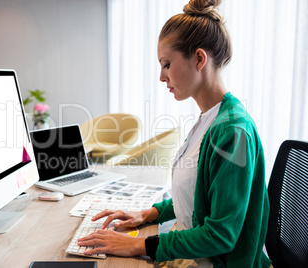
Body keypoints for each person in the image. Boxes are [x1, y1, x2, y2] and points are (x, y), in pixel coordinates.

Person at [77, 0, 272, 267]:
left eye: (166, 64)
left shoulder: (231, 131)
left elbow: (221, 235)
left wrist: (139, 245)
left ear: (199, 59)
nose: (161, 76)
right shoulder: (210, 118)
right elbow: (194, 200)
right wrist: (147, 214)